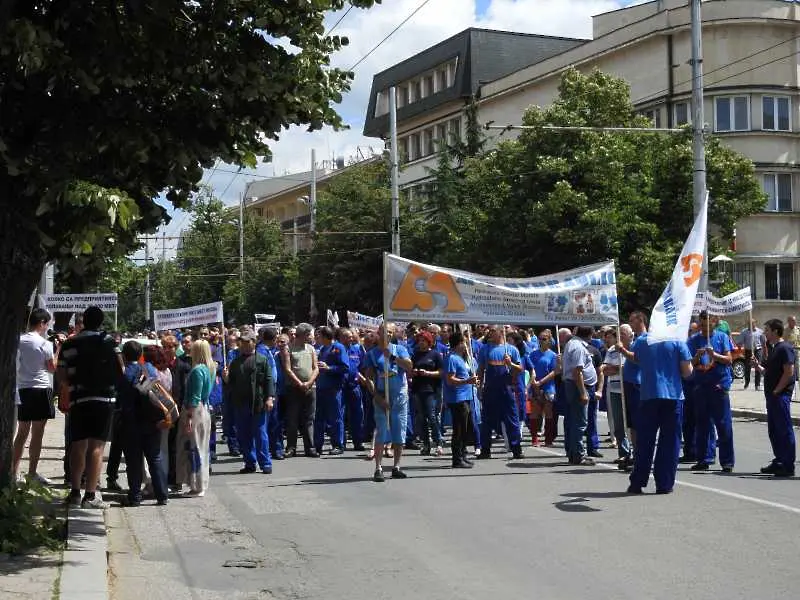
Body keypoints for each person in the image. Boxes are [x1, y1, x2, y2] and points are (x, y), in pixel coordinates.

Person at [58, 306, 121, 509]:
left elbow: (61, 374)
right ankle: (91, 495)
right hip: (104, 399)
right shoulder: (110, 342)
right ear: (101, 322)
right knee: (97, 447)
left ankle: (75, 492)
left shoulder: (69, 343)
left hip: (78, 398)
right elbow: (121, 369)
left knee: (78, 445)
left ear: (83, 321)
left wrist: (67, 390)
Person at [627, 337, 693, 495]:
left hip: (648, 394)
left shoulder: (642, 341)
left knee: (645, 441)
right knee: (670, 442)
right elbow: (687, 372)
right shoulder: (677, 341)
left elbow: (636, 359)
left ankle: (637, 481)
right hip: (672, 395)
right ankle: (664, 483)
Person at [118, 341, 169, 506]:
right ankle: (162, 494)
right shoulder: (149, 369)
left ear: (124, 356)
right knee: (155, 457)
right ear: (140, 354)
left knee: (133, 461)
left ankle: (135, 496)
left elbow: (122, 400)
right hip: (153, 421)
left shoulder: (125, 374)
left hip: (132, 423)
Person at [13, 308, 58, 484]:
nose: (47, 327)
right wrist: (58, 350)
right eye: (47, 324)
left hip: (23, 388)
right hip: (40, 389)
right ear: (41, 323)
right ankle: (32, 472)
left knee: (22, 433)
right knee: (37, 433)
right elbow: (51, 368)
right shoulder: (45, 343)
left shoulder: (18, 340)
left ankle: (13, 472)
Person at [364, 322, 413, 481]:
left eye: (391, 332)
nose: (388, 335)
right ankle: (378, 467)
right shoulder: (372, 354)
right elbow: (369, 378)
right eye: (385, 332)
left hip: (399, 396)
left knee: (399, 431)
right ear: (379, 332)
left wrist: (391, 356)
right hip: (381, 397)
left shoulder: (400, 349)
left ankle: (396, 466)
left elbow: (408, 366)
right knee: (381, 430)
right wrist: (377, 397)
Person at [688, 311, 735, 473]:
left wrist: (713, 354)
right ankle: (704, 458)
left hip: (718, 385)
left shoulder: (722, 337)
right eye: (702, 325)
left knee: (723, 424)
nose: (705, 328)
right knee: (702, 424)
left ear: (713, 322)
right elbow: (689, 364)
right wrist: (697, 356)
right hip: (701, 385)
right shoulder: (694, 340)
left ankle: (727, 461)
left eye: (707, 324)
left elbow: (729, 360)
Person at [225, 329, 276, 474]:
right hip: (241, 404)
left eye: (248, 342)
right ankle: (249, 462)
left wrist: (270, 398)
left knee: (260, 434)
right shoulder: (235, 362)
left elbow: (269, 379)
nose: (245, 345)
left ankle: (265, 463)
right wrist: (226, 377)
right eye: (242, 342)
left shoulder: (261, 359)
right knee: (244, 435)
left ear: (254, 342)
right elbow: (230, 384)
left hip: (258, 403)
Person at [754, 319, 796, 477]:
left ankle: (787, 464)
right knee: (774, 431)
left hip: (780, 396)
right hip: (772, 396)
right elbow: (770, 372)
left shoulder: (785, 348)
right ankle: (779, 460)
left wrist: (778, 390)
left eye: (767, 330)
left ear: (775, 332)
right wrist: (758, 367)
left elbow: (789, 372)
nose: (765, 333)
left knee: (784, 430)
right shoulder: (774, 349)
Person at [477, 326, 524, 460]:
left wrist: (510, 364)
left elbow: (519, 370)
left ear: (500, 332)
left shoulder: (511, 349)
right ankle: (485, 449)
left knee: (512, 420)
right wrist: (479, 387)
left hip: (507, 389)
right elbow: (480, 369)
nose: (489, 333)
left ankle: (516, 449)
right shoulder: (485, 349)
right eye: (489, 331)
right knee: (486, 420)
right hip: (490, 389)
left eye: (492, 331)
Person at [175, 339, 215, 496]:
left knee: (194, 448)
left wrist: (190, 417)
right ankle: (200, 483)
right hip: (203, 408)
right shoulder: (210, 368)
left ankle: (197, 485)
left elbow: (195, 396)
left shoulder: (198, 370)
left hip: (195, 410)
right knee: (201, 448)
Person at [560, 326, 598, 466]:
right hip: (577, 386)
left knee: (574, 420)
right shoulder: (578, 347)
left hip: (573, 384)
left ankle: (573, 452)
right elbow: (577, 372)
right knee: (580, 422)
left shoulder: (573, 343)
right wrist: (583, 392)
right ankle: (578, 454)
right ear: (590, 334)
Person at [283, 323, 319, 458]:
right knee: (293, 418)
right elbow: (288, 369)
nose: (311, 337)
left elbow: (316, 367)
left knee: (309, 418)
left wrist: (309, 383)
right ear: (303, 334)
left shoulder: (311, 348)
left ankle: (310, 447)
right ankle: (291, 447)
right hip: (293, 388)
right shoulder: (289, 348)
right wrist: (299, 383)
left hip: (310, 388)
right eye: (309, 334)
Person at [444, 331, 477, 468]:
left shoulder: (461, 358)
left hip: (466, 396)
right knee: (458, 429)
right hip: (457, 398)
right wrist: (467, 381)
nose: (465, 345)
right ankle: (456, 459)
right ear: (458, 344)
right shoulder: (451, 358)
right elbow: (450, 380)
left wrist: (472, 380)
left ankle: (463, 454)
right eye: (463, 342)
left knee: (465, 429)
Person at [315, 326, 348, 455]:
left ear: (325, 337)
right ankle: (318, 445)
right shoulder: (323, 349)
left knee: (335, 418)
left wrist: (329, 368)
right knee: (319, 418)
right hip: (321, 388)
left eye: (319, 336)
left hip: (333, 388)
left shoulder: (338, 348)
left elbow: (345, 367)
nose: (318, 338)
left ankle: (338, 445)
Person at [410, 331, 444, 456]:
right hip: (418, 388)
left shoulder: (435, 354)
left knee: (432, 416)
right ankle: (426, 444)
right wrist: (414, 372)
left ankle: (439, 442)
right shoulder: (415, 354)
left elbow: (441, 372)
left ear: (429, 341)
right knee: (421, 418)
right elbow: (410, 369)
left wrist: (428, 373)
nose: (421, 343)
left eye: (423, 340)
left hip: (431, 389)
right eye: (419, 341)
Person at [525, 329, 558, 447]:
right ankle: (534, 439)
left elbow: (555, 371)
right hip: (535, 386)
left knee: (548, 412)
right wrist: (534, 383)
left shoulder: (553, 355)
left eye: (544, 339)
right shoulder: (533, 354)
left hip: (548, 386)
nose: (541, 341)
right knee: (535, 412)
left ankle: (548, 439)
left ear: (549, 340)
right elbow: (530, 369)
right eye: (540, 338)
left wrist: (541, 382)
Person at [339, 328, 367, 452]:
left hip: (355, 386)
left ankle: (358, 442)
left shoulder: (357, 349)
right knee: (340, 415)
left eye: (351, 336)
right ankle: (340, 443)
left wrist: (364, 380)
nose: (351, 339)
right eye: (348, 337)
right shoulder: (336, 349)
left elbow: (360, 367)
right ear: (341, 337)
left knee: (358, 415)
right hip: (340, 387)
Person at [739, 320, 765, 391]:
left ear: (755, 324)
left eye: (752, 323)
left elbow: (763, 342)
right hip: (748, 351)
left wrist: (765, 352)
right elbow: (740, 342)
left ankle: (757, 385)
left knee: (758, 366)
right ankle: (746, 383)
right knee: (747, 367)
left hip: (758, 350)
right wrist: (741, 350)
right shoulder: (744, 332)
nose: (750, 325)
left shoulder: (760, 331)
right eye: (749, 323)